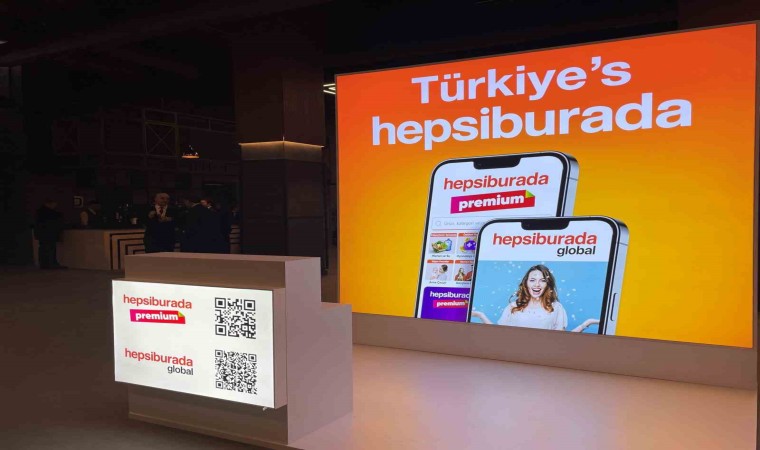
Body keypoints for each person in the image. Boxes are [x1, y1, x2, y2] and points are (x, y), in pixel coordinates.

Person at [470, 264, 598, 332]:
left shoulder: (556, 307)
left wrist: (585, 324)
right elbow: (498, 334)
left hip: (543, 358)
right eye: (532, 280)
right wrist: (481, 315)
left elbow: (562, 340)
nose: (537, 284)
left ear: (547, 284)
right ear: (526, 283)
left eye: (542, 280)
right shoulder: (514, 306)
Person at [34, 199, 67, 269]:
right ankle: (51, 263)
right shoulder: (50, 214)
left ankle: (45, 264)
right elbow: (53, 223)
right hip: (49, 233)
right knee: (50, 248)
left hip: (43, 234)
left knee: (44, 249)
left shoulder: (40, 212)